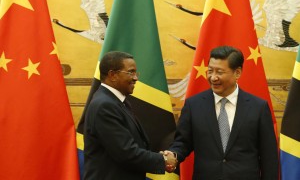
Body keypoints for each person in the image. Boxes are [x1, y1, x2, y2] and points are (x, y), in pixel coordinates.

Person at [165, 45, 279, 179]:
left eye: (219, 72)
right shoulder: (193, 105)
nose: (213, 77)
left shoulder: (258, 107)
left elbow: (269, 157)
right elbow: (182, 142)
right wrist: (174, 155)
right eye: (210, 71)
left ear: (237, 73)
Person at [83, 51, 177, 180]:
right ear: (113, 75)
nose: (135, 78)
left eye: (135, 73)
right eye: (130, 72)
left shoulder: (116, 101)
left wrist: (159, 157)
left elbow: (132, 145)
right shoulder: (105, 105)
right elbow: (126, 153)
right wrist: (163, 160)